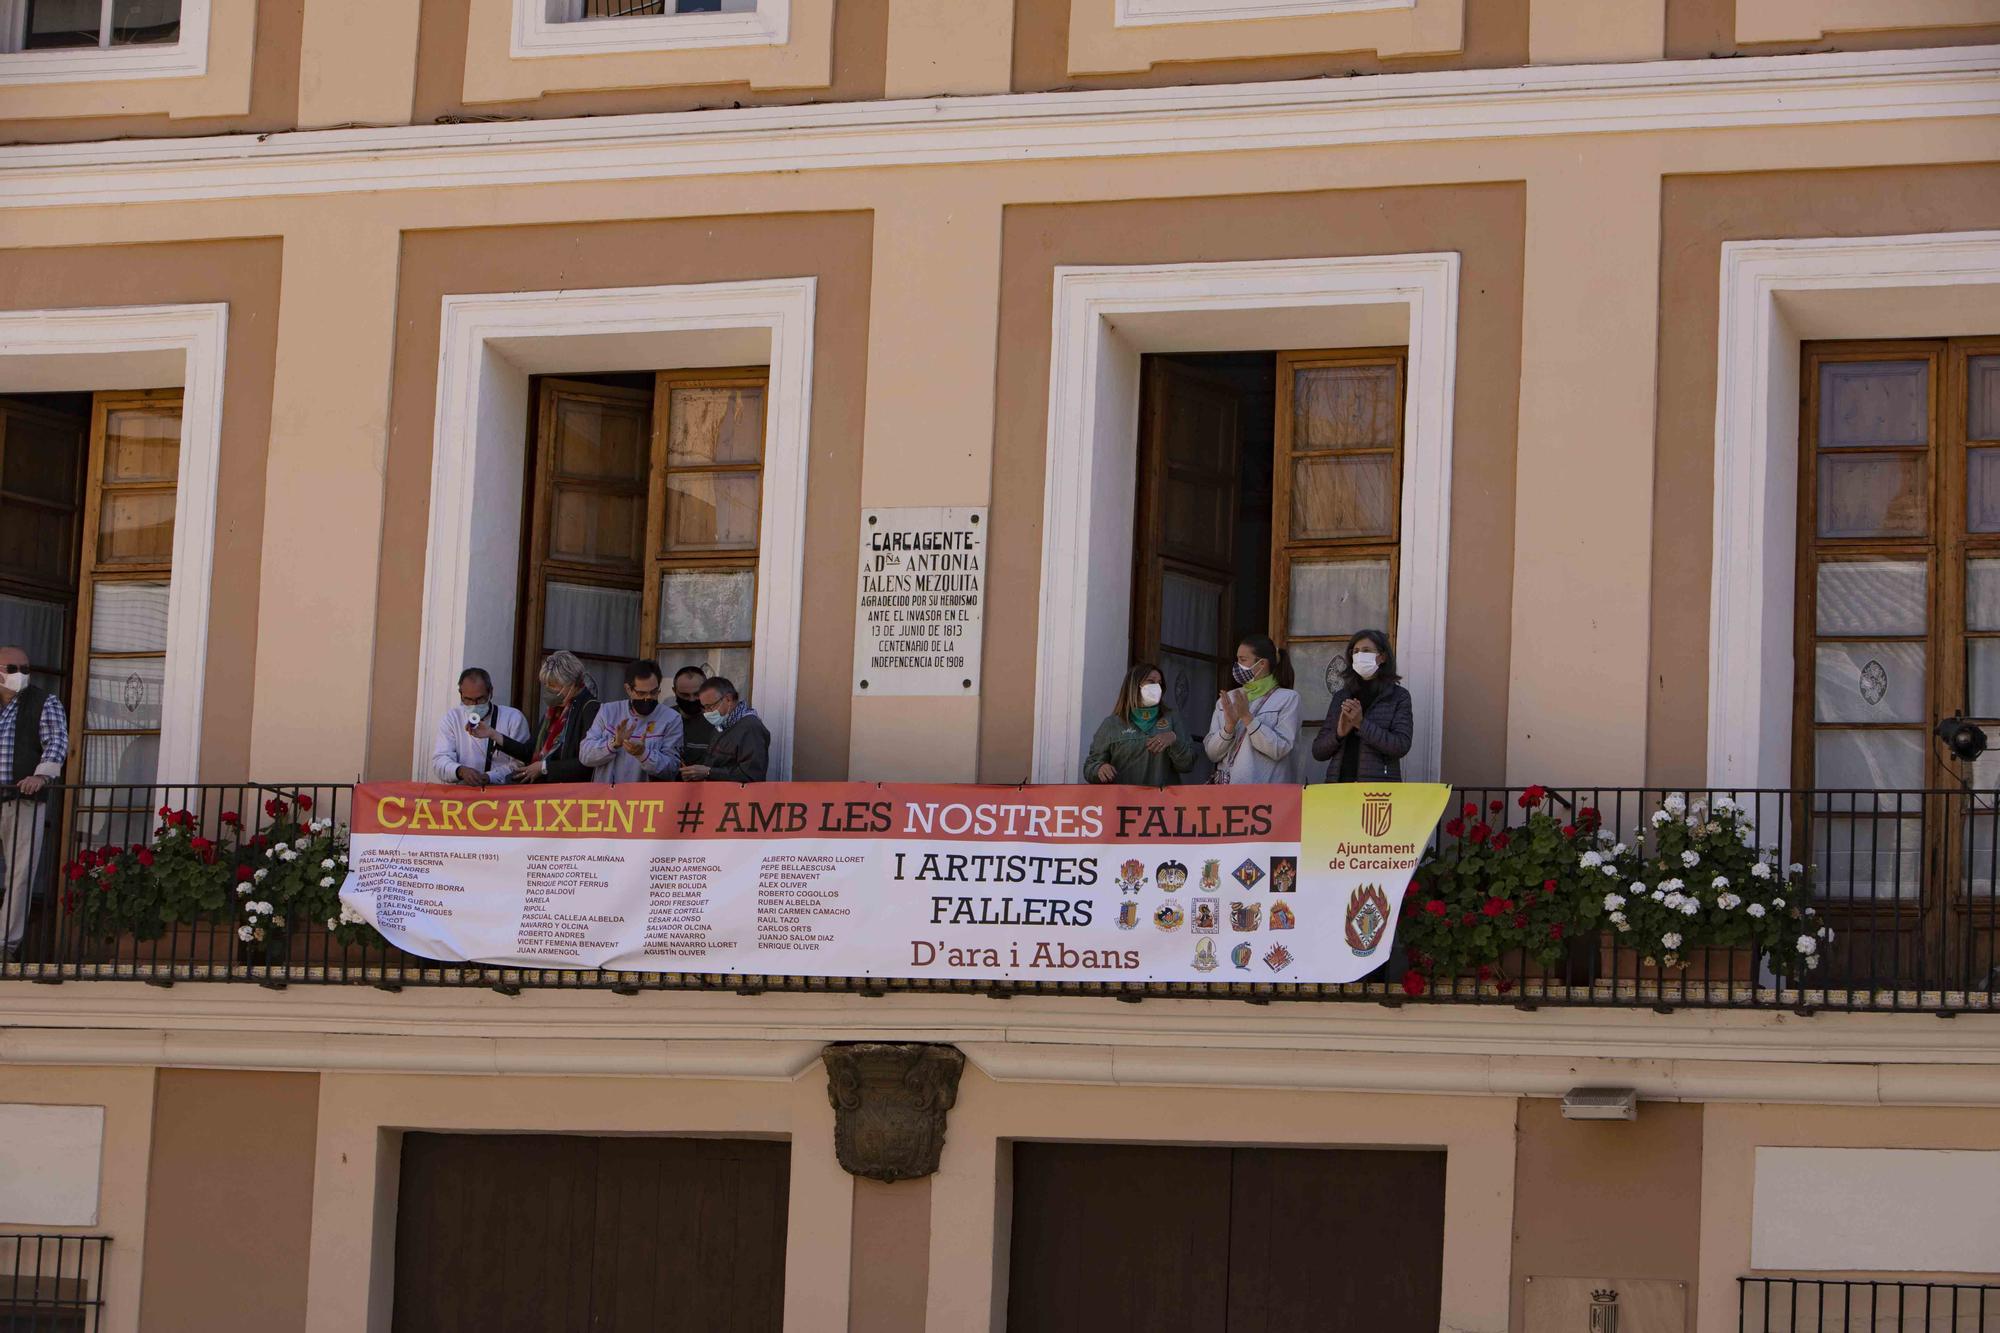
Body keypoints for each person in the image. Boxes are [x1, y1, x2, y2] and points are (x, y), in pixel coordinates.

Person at [0, 647, 67, 959]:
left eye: (25, 668)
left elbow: (56, 741)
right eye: (13, 668)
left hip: (21, 800)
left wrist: (41, 777)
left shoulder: (44, 701)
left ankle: (4, 944)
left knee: (21, 873)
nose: (21, 674)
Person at [479, 650, 600, 783]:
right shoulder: (554, 711)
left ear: (571, 684)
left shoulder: (590, 708)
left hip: (568, 793)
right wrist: (492, 734)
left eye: (553, 685)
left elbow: (588, 762)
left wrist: (544, 767)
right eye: (546, 685)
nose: (549, 690)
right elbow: (529, 751)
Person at [1311, 628, 1414, 782]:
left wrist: (1361, 724)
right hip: (1339, 789)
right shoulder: (1342, 696)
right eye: (1356, 651)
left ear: (1382, 657)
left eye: (1366, 650)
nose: (1359, 656)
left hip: (1377, 793)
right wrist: (1338, 734)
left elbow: (1400, 746)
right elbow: (1318, 752)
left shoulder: (1398, 696)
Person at [1203, 633, 1300, 784]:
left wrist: (1248, 718)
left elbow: (1280, 749)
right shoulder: (1228, 699)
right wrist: (1229, 727)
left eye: (1243, 660)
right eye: (1237, 659)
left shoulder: (1287, 698)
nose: (1237, 665)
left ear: (1262, 664)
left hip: (1267, 796)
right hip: (1228, 794)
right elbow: (1212, 754)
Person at [1085, 662, 1198, 786]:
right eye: (1151, 681)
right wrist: (1099, 769)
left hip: (1162, 802)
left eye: (1159, 683)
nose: (1157, 687)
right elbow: (1090, 766)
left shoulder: (1171, 718)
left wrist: (1174, 740)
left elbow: (1187, 765)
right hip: (1124, 801)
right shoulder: (1112, 724)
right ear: (1134, 685)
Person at [580, 659, 684, 784]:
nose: (648, 698)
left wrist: (644, 754)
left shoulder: (671, 718)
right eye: (641, 693)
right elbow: (585, 756)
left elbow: (672, 769)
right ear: (628, 689)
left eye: (654, 692)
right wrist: (614, 743)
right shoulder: (608, 711)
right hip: (607, 798)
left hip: (645, 800)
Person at [430, 667, 529, 786]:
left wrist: (490, 777)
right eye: (468, 700)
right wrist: (460, 771)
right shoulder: (452, 719)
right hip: (464, 794)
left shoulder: (513, 718)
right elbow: (440, 760)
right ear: (461, 694)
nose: (474, 705)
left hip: (503, 795)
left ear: (490, 692)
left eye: (480, 699)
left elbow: (520, 764)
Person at [681, 676, 769, 783]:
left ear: (728, 699)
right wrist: (696, 773)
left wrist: (708, 772)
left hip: (737, 798)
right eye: (704, 707)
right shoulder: (722, 724)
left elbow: (751, 775)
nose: (707, 712)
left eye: (710, 706)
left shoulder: (751, 727)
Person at [670, 665, 716, 774]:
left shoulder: (718, 720)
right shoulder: (665, 719)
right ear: (674, 691)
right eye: (684, 695)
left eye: (697, 694)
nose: (691, 699)